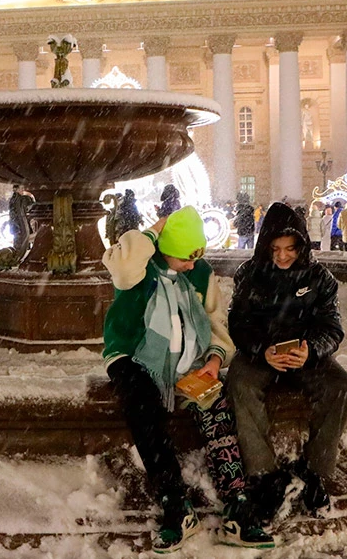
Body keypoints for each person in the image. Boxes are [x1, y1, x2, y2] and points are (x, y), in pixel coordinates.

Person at [102, 206, 261, 551]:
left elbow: (215, 321)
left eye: (196, 256)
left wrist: (214, 359)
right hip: (135, 358)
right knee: (143, 408)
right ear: (165, 248)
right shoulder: (140, 265)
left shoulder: (199, 273)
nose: (192, 265)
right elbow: (122, 269)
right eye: (185, 257)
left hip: (191, 362)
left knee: (217, 409)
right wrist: (154, 231)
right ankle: (175, 504)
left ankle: (237, 504)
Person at [226, 201, 347, 537]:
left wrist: (311, 350)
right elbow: (238, 324)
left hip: (304, 354)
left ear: (301, 246)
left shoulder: (320, 278)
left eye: (290, 249)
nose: (283, 256)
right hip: (261, 354)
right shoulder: (249, 275)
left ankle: (313, 471)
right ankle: (267, 477)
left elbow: (332, 326)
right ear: (265, 246)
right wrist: (261, 350)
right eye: (275, 249)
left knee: (342, 388)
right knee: (239, 385)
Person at [9, 185, 35, 254]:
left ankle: (19, 252)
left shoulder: (14, 199)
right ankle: (21, 252)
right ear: (16, 189)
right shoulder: (21, 199)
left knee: (19, 239)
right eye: (21, 188)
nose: (23, 190)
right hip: (20, 223)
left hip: (17, 224)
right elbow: (31, 206)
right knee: (22, 239)